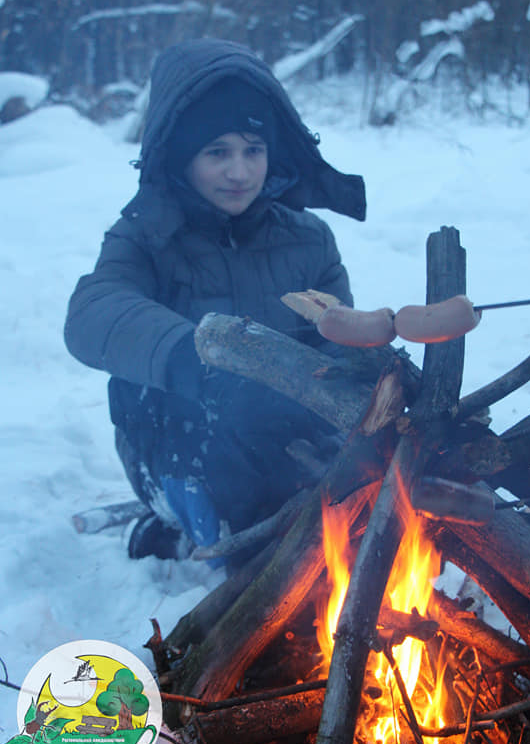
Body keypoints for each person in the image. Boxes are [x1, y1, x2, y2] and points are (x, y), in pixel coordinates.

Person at [64, 38, 366, 563]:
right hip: (177, 443)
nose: (240, 172)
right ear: (181, 159)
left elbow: (335, 340)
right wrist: (195, 355)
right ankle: (189, 524)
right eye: (217, 153)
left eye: (254, 150)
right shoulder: (146, 236)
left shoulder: (309, 238)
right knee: (246, 496)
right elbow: (92, 311)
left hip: (286, 438)